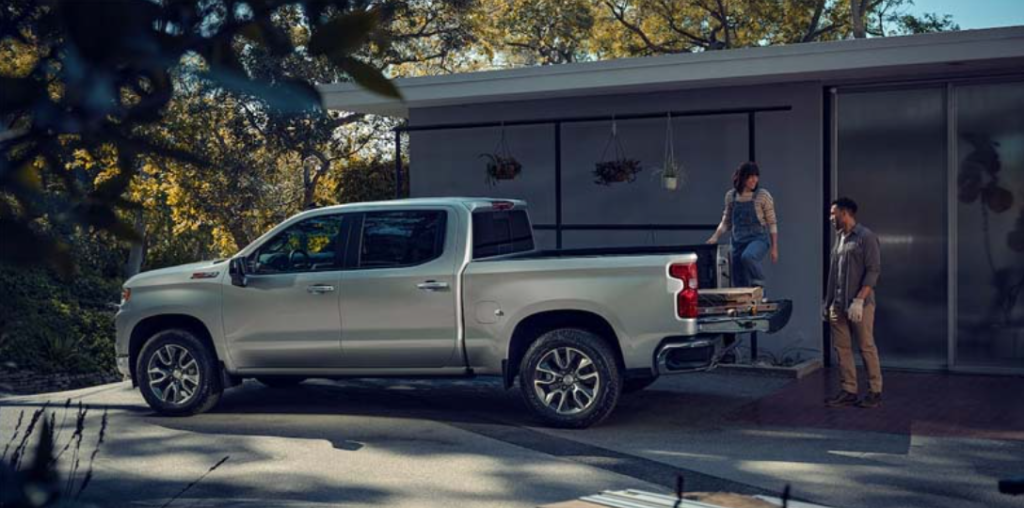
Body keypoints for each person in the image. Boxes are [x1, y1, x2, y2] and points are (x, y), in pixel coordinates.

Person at [823, 197, 883, 409]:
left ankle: (875, 392)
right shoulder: (839, 238)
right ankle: (849, 390)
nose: (831, 218)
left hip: (860, 305)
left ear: (845, 213)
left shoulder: (866, 237)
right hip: (837, 306)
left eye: (833, 213)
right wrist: (827, 303)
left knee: (866, 347)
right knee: (842, 349)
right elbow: (833, 274)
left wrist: (859, 299)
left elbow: (873, 270)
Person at [706, 161, 779, 288]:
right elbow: (726, 221)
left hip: (758, 240)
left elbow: (772, 223)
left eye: (756, 176)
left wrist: (774, 248)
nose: (754, 180)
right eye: (750, 176)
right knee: (739, 281)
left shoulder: (762, 196)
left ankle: (760, 282)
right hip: (737, 243)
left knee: (748, 257)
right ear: (743, 177)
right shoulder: (731, 196)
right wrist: (715, 237)